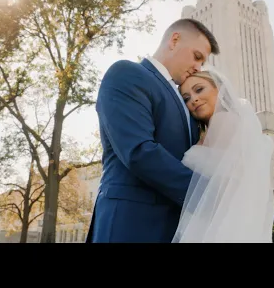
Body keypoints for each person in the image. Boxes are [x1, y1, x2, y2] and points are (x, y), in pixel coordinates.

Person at [86, 18, 220, 243]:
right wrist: (211, 195)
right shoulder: (127, 74)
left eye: (202, 63)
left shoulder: (186, 102)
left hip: (176, 229)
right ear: (175, 39)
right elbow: (139, 151)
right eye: (197, 56)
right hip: (130, 225)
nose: (198, 67)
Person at [172, 66, 274, 243]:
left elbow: (229, 183)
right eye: (186, 98)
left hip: (212, 227)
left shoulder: (224, 121)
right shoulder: (221, 125)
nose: (194, 100)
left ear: (219, 89)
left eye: (199, 89)